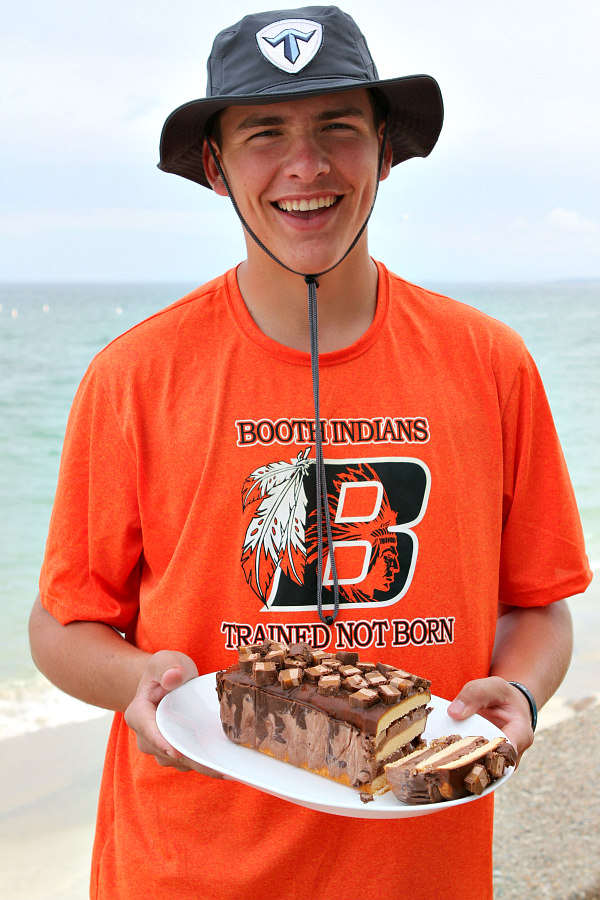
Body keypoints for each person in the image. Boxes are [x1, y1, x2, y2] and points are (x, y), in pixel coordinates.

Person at [29, 6, 592, 900]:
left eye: (339, 127)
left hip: (420, 871)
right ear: (215, 167)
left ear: (385, 151)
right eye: (264, 134)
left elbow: (539, 605)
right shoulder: (135, 375)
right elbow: (60, 625)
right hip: (184, 868)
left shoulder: (491, 363)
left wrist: (518, 696)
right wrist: (142, 679)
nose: (307, 165)